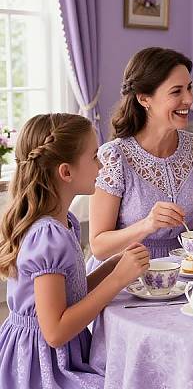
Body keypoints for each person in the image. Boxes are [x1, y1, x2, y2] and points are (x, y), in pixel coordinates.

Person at [0, 113, 149, 388]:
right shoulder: (48, 236)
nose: (102, 164)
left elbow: (71, 294)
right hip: (41, 364)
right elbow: (55, 332)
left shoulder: (63, 221)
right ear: (66, 172)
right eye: (94, 156)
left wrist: (111, 267)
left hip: (60, 352)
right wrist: (117, 281)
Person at [88, 47, 193, 268]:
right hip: (122, 275)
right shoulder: (114, 157)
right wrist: (147, 225)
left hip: (186, 272)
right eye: (176, 91)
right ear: (144, 99)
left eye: (189, 88)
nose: (189, 99)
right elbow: (99, 247)